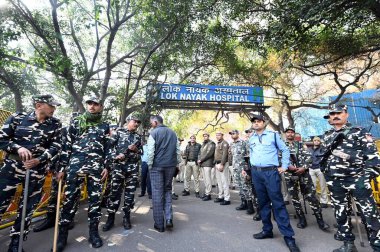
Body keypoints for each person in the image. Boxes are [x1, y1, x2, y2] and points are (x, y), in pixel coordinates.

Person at [0, 94, 62, 252]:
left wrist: (40, 159)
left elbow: (56, 146)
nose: (54, 109)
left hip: (36, 171)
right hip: (12, 169)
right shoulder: (18, 118)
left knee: (27, 209)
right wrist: (18, 148)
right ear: (39, 105)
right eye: (51, 106)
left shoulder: (55, 124)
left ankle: (16, 243)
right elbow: (2, 139)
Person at [321, 104, 380, 252]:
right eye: (332, 113)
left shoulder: (359, 132)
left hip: (357, 180)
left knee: (370, 214)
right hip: (335, 182)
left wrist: (364, 178)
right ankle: (348, 244)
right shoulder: (327, 135)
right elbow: (324, 157)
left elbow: (373, 160)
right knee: (340, 213)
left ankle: (377, 245)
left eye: (339, 112)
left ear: (346, 114)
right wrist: (327, 174)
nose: (335, 115)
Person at [55, 97, 111, 251]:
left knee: (95, 201)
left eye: (95, 104)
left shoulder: (104, 126)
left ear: (101, 107)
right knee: (70, 200)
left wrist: (107, 166)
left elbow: (108, 148)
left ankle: (93, 234)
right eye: (90, 103)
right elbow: (66, 146)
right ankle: (62, 236)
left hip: (96, 168)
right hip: (75, 166)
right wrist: (62, 168)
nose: (92, 106)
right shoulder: (76, 122)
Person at [248, 114, 300, 252]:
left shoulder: (273, 135)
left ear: (264, 123)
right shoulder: (251, 137)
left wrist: (284, 165)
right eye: (254, 122)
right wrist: (249, 170)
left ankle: (289, 238)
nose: (256, 123)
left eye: (259, 121)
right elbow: (252, 154)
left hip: (271, 172)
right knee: (262, 203)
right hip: (256, 173)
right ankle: (267, 230)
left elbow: (284, 150)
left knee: (277, 203)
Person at [283, 127, 329, 231]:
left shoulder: (300, 144)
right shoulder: (281, 146)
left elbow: (309, 157)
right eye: (288, 132)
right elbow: (279, 158)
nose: (290, 134)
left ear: (294, 134)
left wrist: (304, 167)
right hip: (290, 174)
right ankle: (301, 218)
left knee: (311, 195)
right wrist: (288, 166)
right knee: (294, 197)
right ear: (285, 134)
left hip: (303, 173)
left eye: (292, 132)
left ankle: (320, 220)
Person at [103, 115, 143, 231]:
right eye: (135, 121)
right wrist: (115, 157)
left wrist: (136, 150)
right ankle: (110, 218)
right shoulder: (118, 133)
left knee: (129, 195)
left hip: (132, 169)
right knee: (114, 193)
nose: (136, 124)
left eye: (138, 123)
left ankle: (126, 217)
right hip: (118, 169)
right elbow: (109, 148)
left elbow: (141, 153)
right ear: (128, 121)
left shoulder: (138, 137)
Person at [147, 115, 180, 232]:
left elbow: (150, 151)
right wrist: (177, 164)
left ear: (155, 122)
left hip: (157, 166)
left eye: (151, 123)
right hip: (170, 166)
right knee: (167, 190)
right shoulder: (173, 133)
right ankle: (169, 219)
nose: (151, 125)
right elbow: (177, 151)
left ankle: (159, 224)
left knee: (156, 194)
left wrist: (150, 165)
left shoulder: (154, 133)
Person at [229, 130, 254, 214]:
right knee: (239, 186)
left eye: (234, 133)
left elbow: (248, 155)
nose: (232, 135)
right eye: (231, 134)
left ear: (237, 134)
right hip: (235, 168)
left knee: (246, 186)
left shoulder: (243, 142)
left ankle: (251, 206)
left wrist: (247, 169)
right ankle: (244, 203)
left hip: (243, 168)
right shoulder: (231, 144)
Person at [307, 136, 329, 208]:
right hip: (311, 168)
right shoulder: (309, 149)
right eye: (315, 140)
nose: (316, 141)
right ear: (313, 141)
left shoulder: (322, 149)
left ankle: (324, 202)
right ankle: (315, 200)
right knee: (313, 186)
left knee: (322, 185)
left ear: (320, 142)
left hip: (319, 168)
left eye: (318, 140)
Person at [213, 132, 230, 205]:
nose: (217, 136)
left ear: (222, 135)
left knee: (224, 181)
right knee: (219, 181)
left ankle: (227, 198)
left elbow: (225, 154)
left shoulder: (225, 143)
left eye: (219, 135)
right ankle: (221, 196)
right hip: (217, 163)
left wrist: (222, 164)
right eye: (216, 135)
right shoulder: (218, 143)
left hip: (222, 164)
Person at [198, 133, 216, 201]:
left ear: (208, 136)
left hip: (208, 164)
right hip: (202, 164)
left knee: (208, 180)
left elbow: (209, 154)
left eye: (206, 136)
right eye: (204, 136)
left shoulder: (211, 143)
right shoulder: (203, 144)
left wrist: (201, 160)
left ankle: (208, 194)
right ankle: (206, 193)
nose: (205, 137)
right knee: (205, 180)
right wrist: (199, 159)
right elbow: (200, 153)